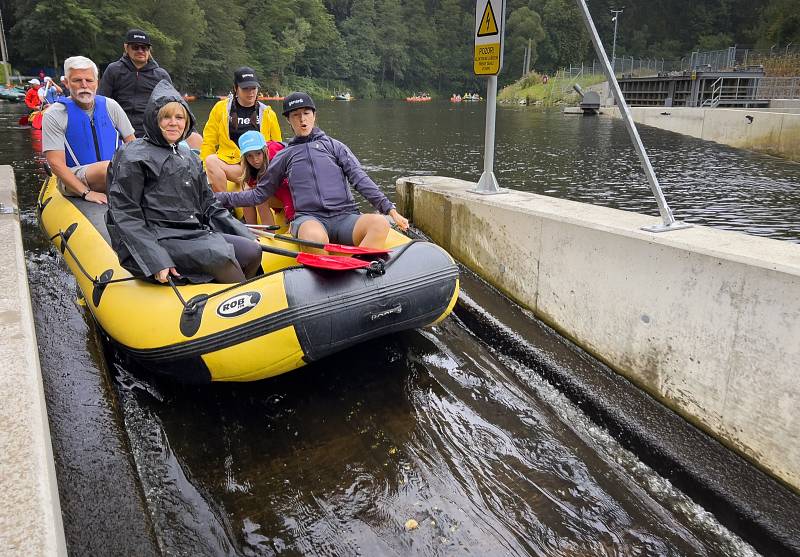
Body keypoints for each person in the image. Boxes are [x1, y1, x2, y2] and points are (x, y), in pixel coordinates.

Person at [106, 80, 261, 284]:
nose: (174, 123)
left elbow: (209, 205)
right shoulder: (133, 156)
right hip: (158, 237)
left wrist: (243, 232)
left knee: (253, 251)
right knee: (219, 257)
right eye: (166, 117)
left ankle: (224, 293)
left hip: (192, 233)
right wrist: (156, 259)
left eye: (179, 117)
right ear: (155, 120)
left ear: (186, 122)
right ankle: (239, 304)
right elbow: (125, 213)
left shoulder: (189, 157)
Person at [215, 92, 409, 251]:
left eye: (306, 113)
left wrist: (389, 209)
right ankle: (335, 269)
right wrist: (217, 198)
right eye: (295, 115)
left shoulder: (335, 146)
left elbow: (360, 179)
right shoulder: (285, 155)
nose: (302, 120)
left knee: (379, 224)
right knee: (313, 237)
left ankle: (357, 269)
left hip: (345, 217)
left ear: (314, 116)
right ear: (289, 121)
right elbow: (259, 194)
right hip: (309, 218)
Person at [42, 56, 135, 204]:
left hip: (114, 172)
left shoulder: (111, 106)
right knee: (107, 168)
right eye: (77, 80)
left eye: (89, 80)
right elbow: (55, 163)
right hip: (76, 176)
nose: (84, 85)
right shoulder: (55, 114)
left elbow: (133, 144)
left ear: (96, 83)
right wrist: (87, 193)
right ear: (66, 83)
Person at [98, 29, 202, 148]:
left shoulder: (160, 75)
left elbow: (176, 105)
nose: (140, 51)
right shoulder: (114, 70)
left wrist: (191, 130)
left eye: (145, 48)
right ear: (126, 48)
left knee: (196, 140)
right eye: (136, 47)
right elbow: (102, 102)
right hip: (120, 129)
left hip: (152, 130)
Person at [200, 66, 281, 193]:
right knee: (211, 161)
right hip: (230, 165)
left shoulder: (268, 113)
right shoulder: (221, 109)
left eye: (253, 88)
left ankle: (253, 189)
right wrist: (205, 170)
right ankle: (224, 206)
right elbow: (208, 142)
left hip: (257, 167)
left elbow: (277, 147)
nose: (251, 93)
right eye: (245, 88)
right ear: (236, 88)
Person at [236, 130, 294, 226]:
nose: (255, 160)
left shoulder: (276, 160)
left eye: (258, 153)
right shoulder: (249, 168)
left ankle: (269, 233)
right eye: (249, 156)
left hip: (294, 195)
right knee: (247, 193)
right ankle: (252, 231)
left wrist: (291, 217)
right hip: (276, 192)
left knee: (260, 196)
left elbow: (287, 188)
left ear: (265, 150)